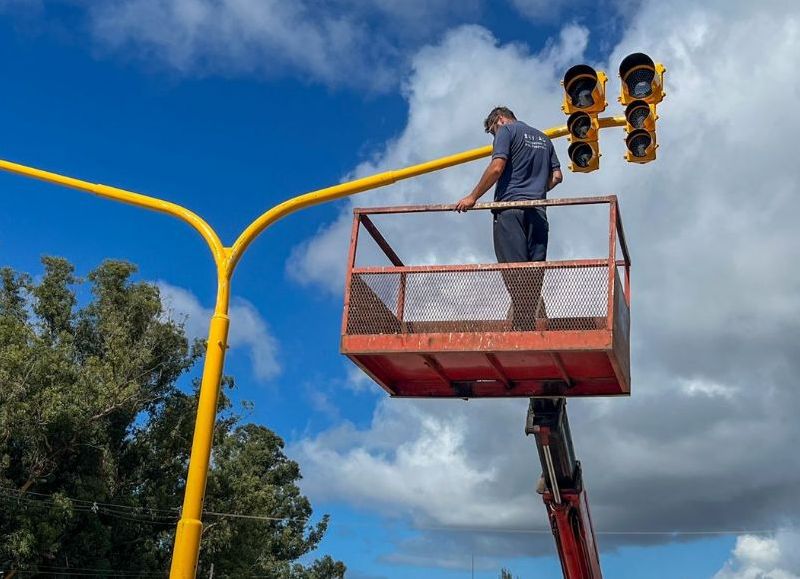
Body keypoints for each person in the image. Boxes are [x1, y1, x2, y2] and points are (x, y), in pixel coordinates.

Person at [455, 107, 563, 329]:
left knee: (513, 269)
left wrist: (472, 197)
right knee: (534, 272)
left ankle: (523, 322)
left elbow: (497, 168)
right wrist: (535, 192)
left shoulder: (506, 131)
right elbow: (557, 177)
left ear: (500, 119)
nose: (494, 136)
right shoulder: (545, 139)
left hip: (510, 209)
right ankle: (528, 319)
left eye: (492, 131)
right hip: (538, 212)